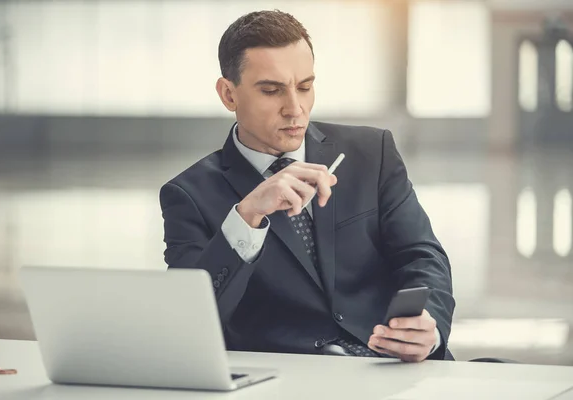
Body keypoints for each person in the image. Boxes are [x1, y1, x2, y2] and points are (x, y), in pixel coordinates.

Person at [160, 10, 455, 362]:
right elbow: (193, 318)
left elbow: (422, 255)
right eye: (272, 91)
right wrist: (246, 216)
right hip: (294, 378)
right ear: (228, 95)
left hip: (393, 365)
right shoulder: (188, 195)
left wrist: (429, 327)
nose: (295, 109)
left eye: (305, 87)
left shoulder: (371, 153)